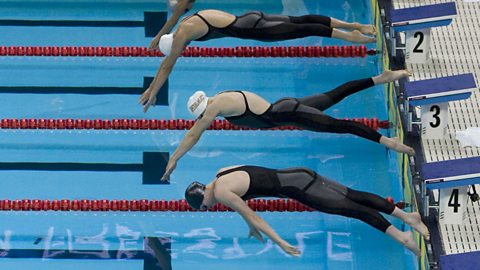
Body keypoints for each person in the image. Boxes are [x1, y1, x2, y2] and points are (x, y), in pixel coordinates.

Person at [160, 70, 415, 180]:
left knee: (341, 126)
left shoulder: (216, 106)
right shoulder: (220, 97)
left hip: (289, 113)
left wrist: (175, 158)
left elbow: (194, 134)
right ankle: (380, 78)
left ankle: (389, 143)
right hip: (285, 107)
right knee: (336, 94)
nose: (204, 118)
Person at [140, 9, 376, 112]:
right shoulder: (187, 22)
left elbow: (167, 64)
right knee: (300, 20)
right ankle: (354, 26)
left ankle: (350, 36)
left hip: (251, 29)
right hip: (251, 18)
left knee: (302, 30)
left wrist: (153, 90)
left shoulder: (183, 35)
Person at [184, 165, 430, 256]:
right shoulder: (221, 173)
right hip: (301, 173)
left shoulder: (222, 195)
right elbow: (249, 196)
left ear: (203, 199)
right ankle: (407, 217)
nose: (211, 207)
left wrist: (280, 242)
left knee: (353, 210)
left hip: (299, 188)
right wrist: (250, 228)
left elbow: (253, 215)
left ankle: (403, 237)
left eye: (206, 207)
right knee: (354, 196)